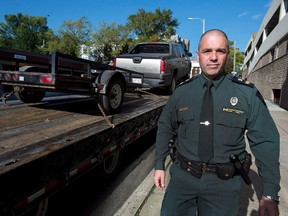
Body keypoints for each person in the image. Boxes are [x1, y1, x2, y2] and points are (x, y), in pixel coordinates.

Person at [154, 29, 280, 216]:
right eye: (207, 51)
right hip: (182, 180)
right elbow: (165, 127)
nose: (213, 57)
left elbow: (265, 142)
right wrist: (159, 165)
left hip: (223, 186)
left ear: (227, 54)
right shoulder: (181, 93)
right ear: (198, 55)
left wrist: (269, 193)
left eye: (220, 51)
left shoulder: (246, 95)